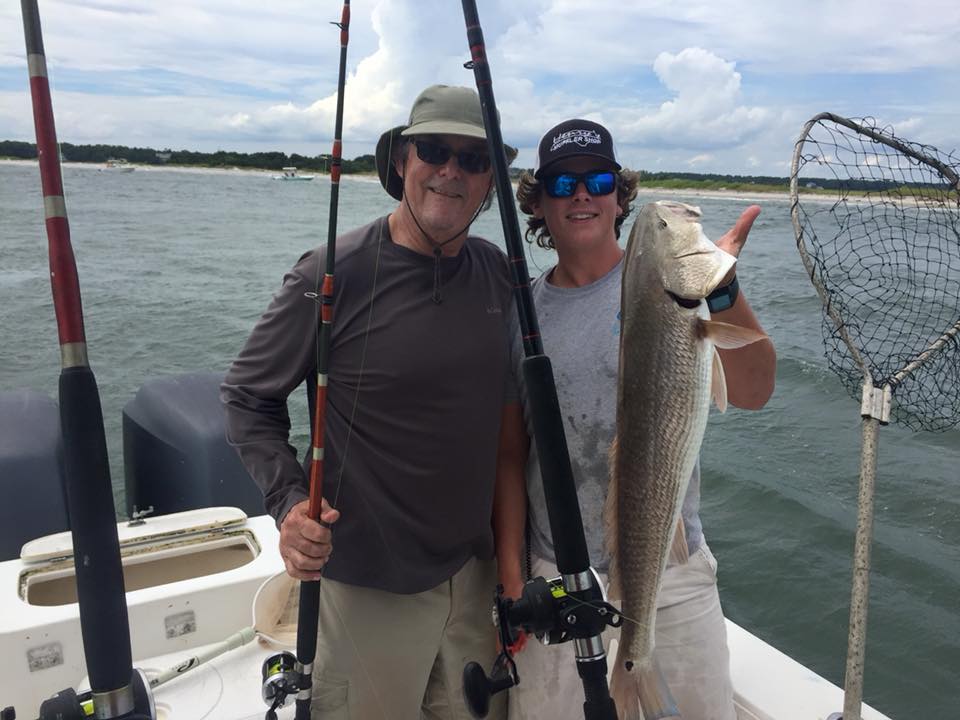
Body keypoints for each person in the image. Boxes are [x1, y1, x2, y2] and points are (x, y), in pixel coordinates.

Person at [221, 85, 516, 720]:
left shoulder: (498, 273)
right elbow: (248, 396)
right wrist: (289, 503)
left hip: (473, 576)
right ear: (401, 162)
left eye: (472, 159)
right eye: (434, 150)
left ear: (490, 178)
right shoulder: (331, 273)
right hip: (365, 583)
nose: (450, 171)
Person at [495, 119, 777, 719]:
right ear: (538, 203)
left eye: (598, 180)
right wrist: (514, 577)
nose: (581, 195)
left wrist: (722, 290)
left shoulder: (687, 296)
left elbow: (753, 391)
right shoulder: (522, 312)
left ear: (620, 196)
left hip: (671, 568)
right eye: (562, 183)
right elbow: (512, 455)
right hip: (558, 571)